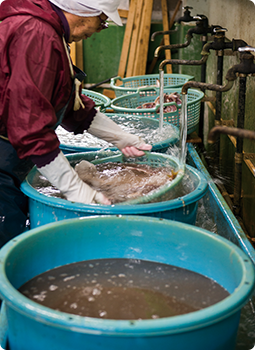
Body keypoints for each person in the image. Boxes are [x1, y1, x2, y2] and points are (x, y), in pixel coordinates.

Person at [0, 0, 152, 248]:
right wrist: (74, 189)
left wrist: (120, 137)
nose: (101, 28)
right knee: (6, 243)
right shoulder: (36, 33)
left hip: (13, 158)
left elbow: (70, 103)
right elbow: (29, 123)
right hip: (4, 158)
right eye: (102, 20)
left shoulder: (52, 32)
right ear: (82, 10)